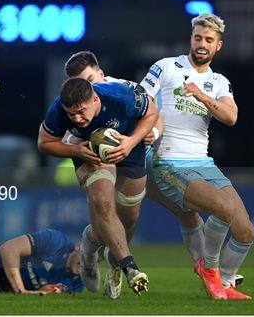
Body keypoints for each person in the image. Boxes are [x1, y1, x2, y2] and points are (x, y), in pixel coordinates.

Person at [63, 51, 212, 299]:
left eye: (91, 79)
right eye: (83, 83)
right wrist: (78, 143)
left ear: (100, 73)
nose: (90, 87)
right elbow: (62, 137)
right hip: (98, 161)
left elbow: (155, 113)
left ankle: (209, 268)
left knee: (155, 213)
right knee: (103, 227)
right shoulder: (74, 104)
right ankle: (88, 252)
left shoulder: (125, 89)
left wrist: (153, 130)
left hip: (136, 157)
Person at [139, 13, 254, 300]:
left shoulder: (218, 81)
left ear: (219, 46)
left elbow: (231, 116)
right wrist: (149, 129)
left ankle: (226, 282)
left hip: (203, 162)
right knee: (222, 209)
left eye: (209, 40)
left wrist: (201, 96)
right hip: (168, 160)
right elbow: (141, 100)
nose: (202, 44)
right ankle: (210, 269)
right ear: (191, 39)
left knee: (246, 231)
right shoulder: (166, 67)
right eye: (198, 37)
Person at [38, 77, 158, 296]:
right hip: (88, 152)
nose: (77, 118)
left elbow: (152, 113)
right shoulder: (57, 109)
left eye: (81, 111)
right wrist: (75, 150)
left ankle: (89, 250)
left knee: (129, 215)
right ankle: (129, 267)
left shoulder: (120, 97)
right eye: (71, 113)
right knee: (103, 204)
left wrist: (130, 143)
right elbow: (44, 143)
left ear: (95, 99)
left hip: (127, 145)